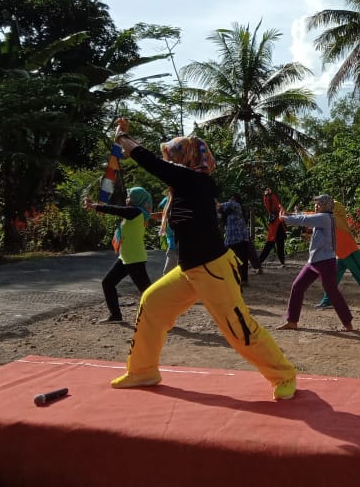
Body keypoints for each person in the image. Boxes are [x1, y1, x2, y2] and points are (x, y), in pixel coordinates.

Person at [107, 118, 297, 399]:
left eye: (174, 156)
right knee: (152, 303)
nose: (170, 161)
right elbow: (157, 165)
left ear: (188, 159)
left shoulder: (195, 180)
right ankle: (143, 370)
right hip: (190, 269)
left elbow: (152, 163)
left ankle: (283, 375)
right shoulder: (188, 184)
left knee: (238, 328)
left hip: (211, 269)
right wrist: (127, 143)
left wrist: (123, 138)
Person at [276, 195, 354, 332]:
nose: (316, 206)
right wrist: (287, 214)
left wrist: (284, 218)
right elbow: (304, 216)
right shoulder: (321, 217)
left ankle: (347, 323)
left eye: (319, 204)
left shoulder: (324, 217)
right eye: (316, 204)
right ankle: (292, 321)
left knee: (332, 292)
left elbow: (303, 219)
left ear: (326, 206)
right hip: (315, 261)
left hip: (325, 262)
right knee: (297, 286)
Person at [85, 186, 154, 324]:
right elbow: (119, 211)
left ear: (136, 199)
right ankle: (116, 316)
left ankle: (162, 318)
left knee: (147, 292)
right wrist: (96, 206)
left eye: (129, 197)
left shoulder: (135, 212)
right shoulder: (135, 212)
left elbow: (115, 210)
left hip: (134, 259)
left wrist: (94, 206)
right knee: (108, 283)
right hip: (126, 258)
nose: (127, 199)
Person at [316, 200, 360, 312]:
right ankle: (327, 300)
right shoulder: (328, 218)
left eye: (322, 205)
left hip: (350, 252)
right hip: (341, 255)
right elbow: (311, 216)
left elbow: (316, 216)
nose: (319, 207)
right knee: (332, 278)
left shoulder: (334, 218)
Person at [220, 193, 257, 285]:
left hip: (240, 239)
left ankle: (244, 280)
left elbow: (229, 204)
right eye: (230, 198)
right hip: (231, 241)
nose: (231, 200)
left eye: (233, 199)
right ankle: (235, 279)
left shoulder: (237, 206)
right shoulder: (227, 214)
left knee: (242, 260)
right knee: (232, 260)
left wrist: (216, 204)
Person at [258, 187, 286, 268]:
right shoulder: (269, 196)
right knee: (275, 244)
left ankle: (259, 262)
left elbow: (275, 208)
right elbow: (274, 208)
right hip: (277, 222)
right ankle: (259, 262)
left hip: (277, 223)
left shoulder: (269, 196)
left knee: (274, 244)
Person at [152, 194, 179, 275]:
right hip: (174, 248)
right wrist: (147, 215)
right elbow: (161, 214)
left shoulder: (172, 218)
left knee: (167, 274)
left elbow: (162, 214)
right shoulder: (168, 216)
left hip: (174, 250)